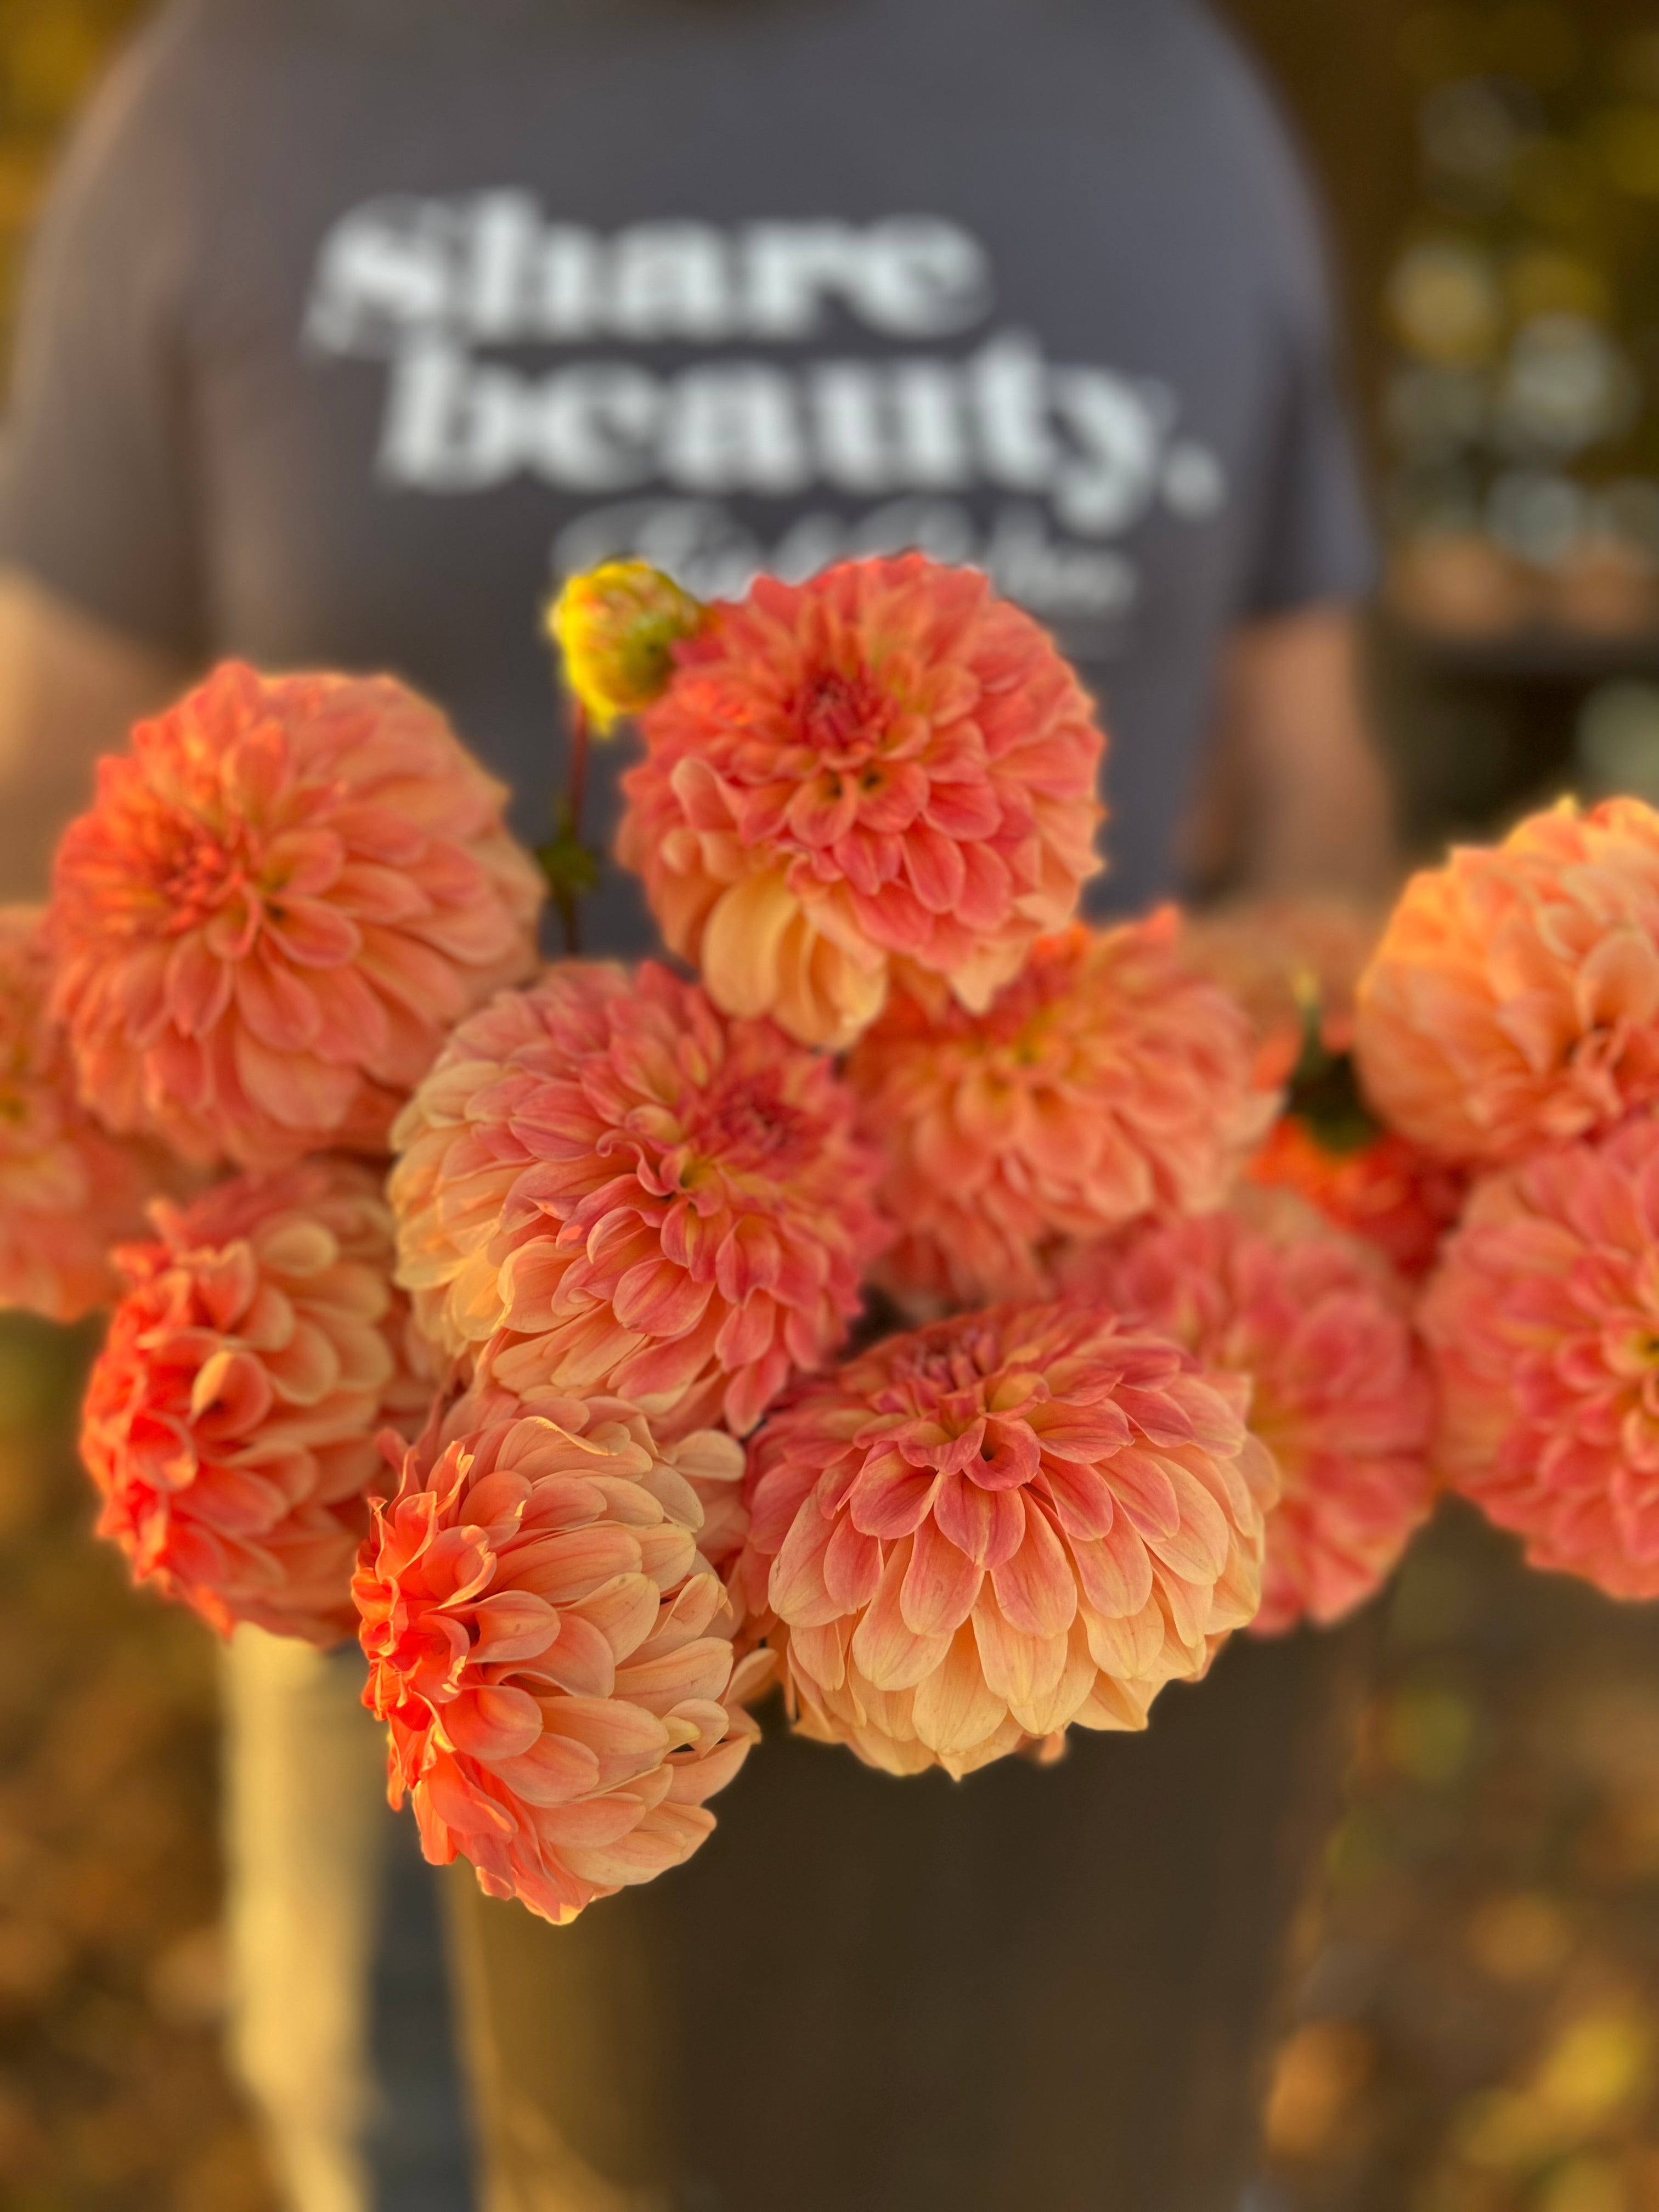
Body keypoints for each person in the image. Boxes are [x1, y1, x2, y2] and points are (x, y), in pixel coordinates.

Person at [0, 0, 1392, 2206]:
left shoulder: (1162, 85)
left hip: (1076, 1455)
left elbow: (1310, 783)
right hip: (432, 1530)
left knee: (1081, 2146)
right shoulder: (236, 91)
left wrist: (1338, 1144)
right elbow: (40, 797)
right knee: (435, 2139)